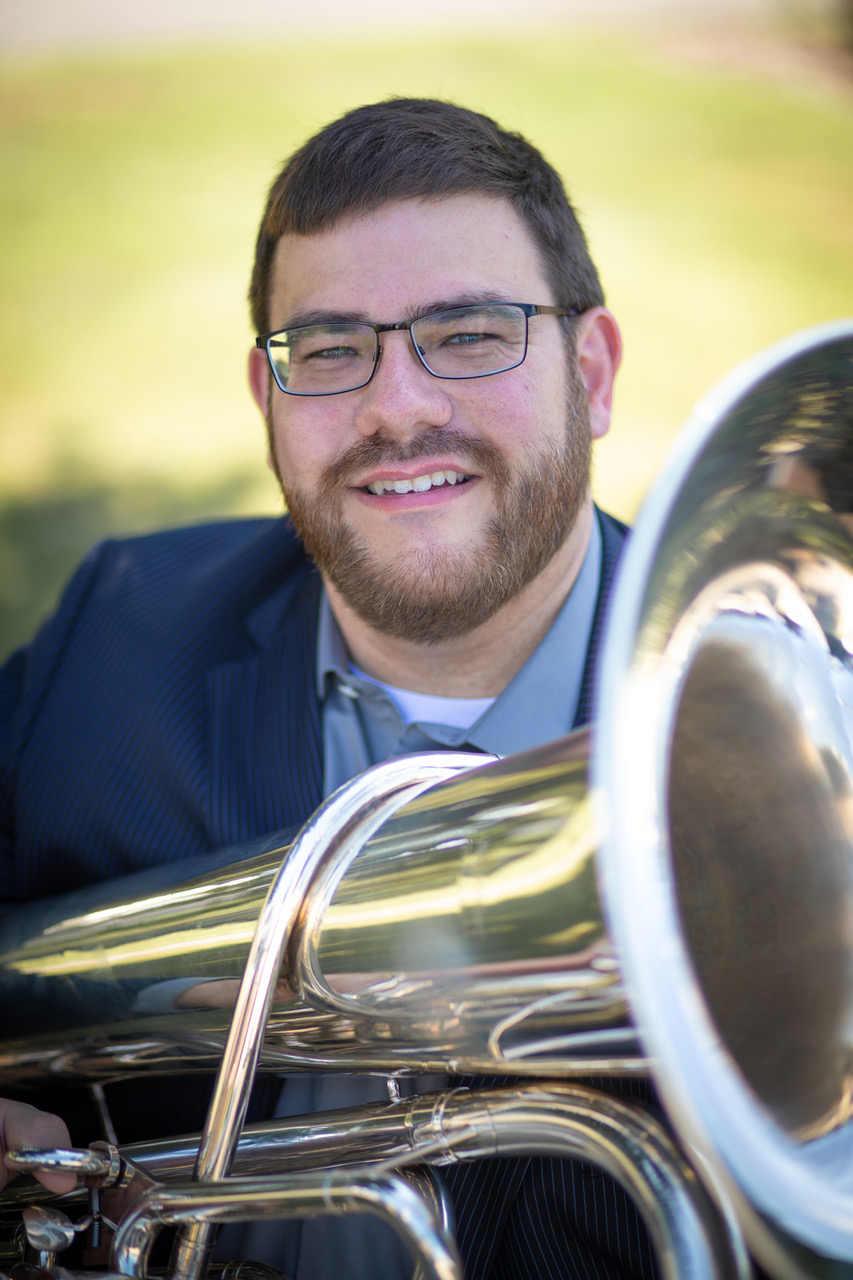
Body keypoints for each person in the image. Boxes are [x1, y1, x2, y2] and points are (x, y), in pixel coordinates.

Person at [0, 98, 660, 1279]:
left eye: (467, 333)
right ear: (267, 403)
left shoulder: (778, 728)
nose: (396, 407)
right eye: (332, 348)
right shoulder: (120, 627)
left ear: (592, 372)